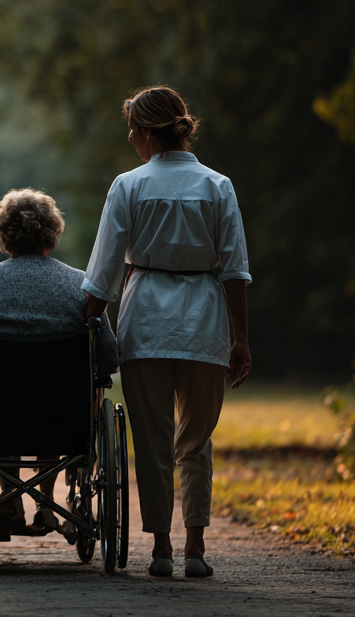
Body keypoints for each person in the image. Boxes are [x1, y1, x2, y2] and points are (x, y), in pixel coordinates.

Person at [81, 85, 252, 579]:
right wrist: (240, 339)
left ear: (149, 133)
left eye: (133, 130)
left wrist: (85, 318)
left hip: (147, 323)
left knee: (152, 441)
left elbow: (103, 274)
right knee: (195, 441)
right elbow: (236, 272)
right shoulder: (218, 186)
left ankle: (160, 548)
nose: (131, 138)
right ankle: (195, 548)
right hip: (204, 324)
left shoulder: (128, 186)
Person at [0, 187, 121, 539]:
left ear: (3, 235)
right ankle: (46, 504)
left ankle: (8, 499)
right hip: (66, 421)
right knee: (57, 398)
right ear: (53, 232)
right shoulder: (82, 287)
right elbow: (108, 359)